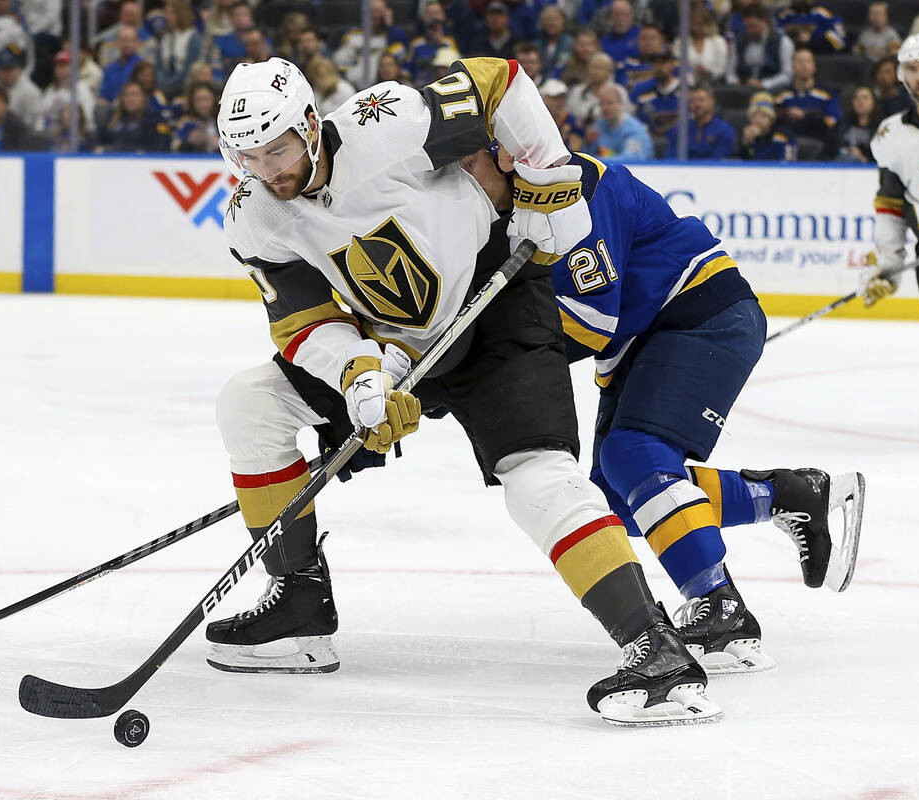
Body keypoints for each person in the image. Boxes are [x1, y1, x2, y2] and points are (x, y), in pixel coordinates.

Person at [210, 55, 723, 726]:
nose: (267, 170)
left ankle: (655, 650)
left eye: (275, 148)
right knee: (250, 402)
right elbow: (304, 320)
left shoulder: (385, 122)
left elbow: (500, 81)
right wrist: (359, 378)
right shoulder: (253, 215)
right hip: (392, 346)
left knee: (537, 476)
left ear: (309, 125)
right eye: (248, 157)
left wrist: (550, 183)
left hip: (496, 302)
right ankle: (299, 601)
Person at [466, 142, 865, 675]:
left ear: (507, 155)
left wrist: (491, 360)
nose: (465, 180)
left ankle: (720, 605)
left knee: (636, 455)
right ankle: (787, 494)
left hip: (699, 312)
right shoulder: (497, 219)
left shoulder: (577, 184)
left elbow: (591, 321)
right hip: (641, 346)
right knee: (615, 497)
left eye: (471, 165)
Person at [861, 33, 919, 333]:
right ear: (902, 76)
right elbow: (889, 205)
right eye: (912, 69)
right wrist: (887, 266)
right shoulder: (891, 136)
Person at [775, 47, 840, 155]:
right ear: (792, 67)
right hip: (787, 144)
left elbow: (832, 121)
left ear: (814, 67)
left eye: (808, 61)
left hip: (819, 144)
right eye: (799, 61)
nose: (804, 65)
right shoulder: (782, 95)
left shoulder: (828, 94)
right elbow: (774, 120)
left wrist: (805, 116)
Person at [725, 3, 795, 92]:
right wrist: (734, 81)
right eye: (747, 26)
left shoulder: (783, 42)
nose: (749, 30)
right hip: (743, 88)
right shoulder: (739, 41)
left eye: (753, 26)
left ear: (764, 21)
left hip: (772, 89)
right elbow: (730, 72)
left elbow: (787, 75)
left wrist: (764, 84)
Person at [666, 84, 737, 158]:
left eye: (701, 100)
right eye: (692, 101)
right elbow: (671, 159)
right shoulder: (679, 130)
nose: (697, 105)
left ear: (712, 102)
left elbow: (719, 161)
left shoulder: (725, 130)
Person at [589, 83, 654, 160]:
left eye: (610, 103)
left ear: (621, 104)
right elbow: (590, 152)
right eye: (601, 103)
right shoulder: (599, 125)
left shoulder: (634, 129)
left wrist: (597, 161)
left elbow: (631, 159)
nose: (604, 108)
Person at [738, 92, 796, 160]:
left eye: (763, 117)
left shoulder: (782, 137)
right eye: (754, 116)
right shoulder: (749, 137)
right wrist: (747, 143)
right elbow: (749, 156)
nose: (758, 120)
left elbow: (787, 161)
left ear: (771, 120)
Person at [836, 85, 880, 162]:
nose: (860, 101)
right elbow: (828, 152)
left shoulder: (881, 127)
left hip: (869, 170)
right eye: (856, 98)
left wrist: (863, 159)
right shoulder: (842, 123)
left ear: (874, 102)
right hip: (839, 166)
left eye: (865, 98)